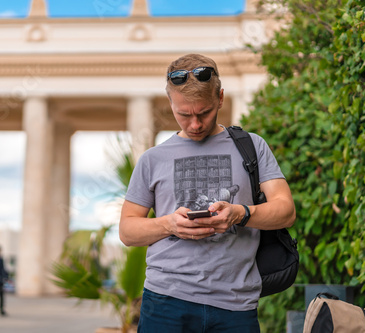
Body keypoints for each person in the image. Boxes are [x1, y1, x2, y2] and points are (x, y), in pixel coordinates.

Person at [119, 54, 296, 332]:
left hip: (236, 305)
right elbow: (128, 231)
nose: (195, 124)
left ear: (221, 98)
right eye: (184, 114)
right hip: (165, 301)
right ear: (171, 102)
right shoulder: (152, 159)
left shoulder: (253, 146)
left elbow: (286, 210)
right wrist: (168, 224)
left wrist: (241, 213)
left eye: (205, 112)